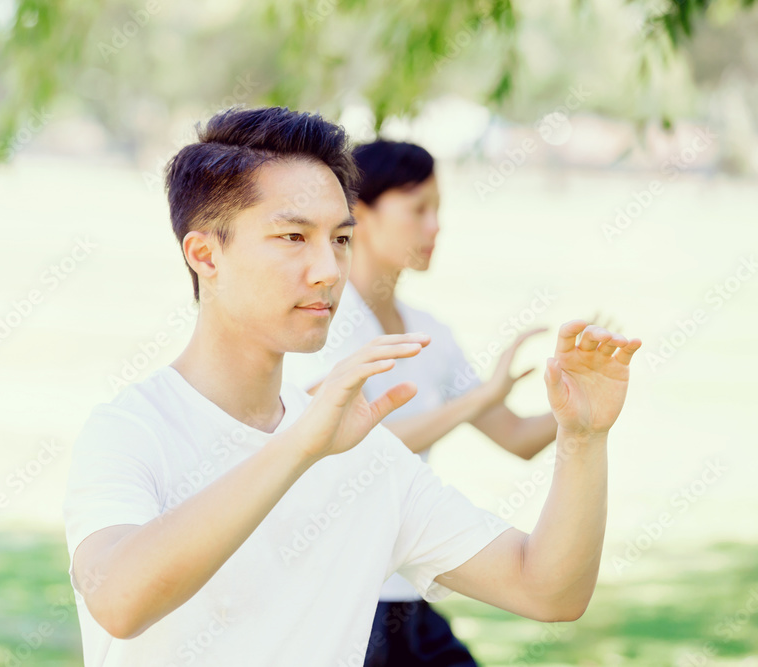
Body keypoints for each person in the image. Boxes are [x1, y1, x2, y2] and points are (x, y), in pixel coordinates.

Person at [62, 106, 641, 667]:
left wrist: (583, 438)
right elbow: (118, 600)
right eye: (293, 237)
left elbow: (549, 590)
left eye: (340, 239)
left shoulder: (366, 457)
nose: (329, 270)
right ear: (205, 255)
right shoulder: (131, 430)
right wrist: (299, 445)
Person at [283, 139, 559, 666]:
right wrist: (477, 399)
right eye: (418, 210)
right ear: (358, 215)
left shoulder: (432, 333)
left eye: (438, 211)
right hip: (343, 604)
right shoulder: (326, 327)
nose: (434, 228)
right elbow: (345, 443)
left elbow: (517, 437)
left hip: (408, 597)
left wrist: (582, 412)